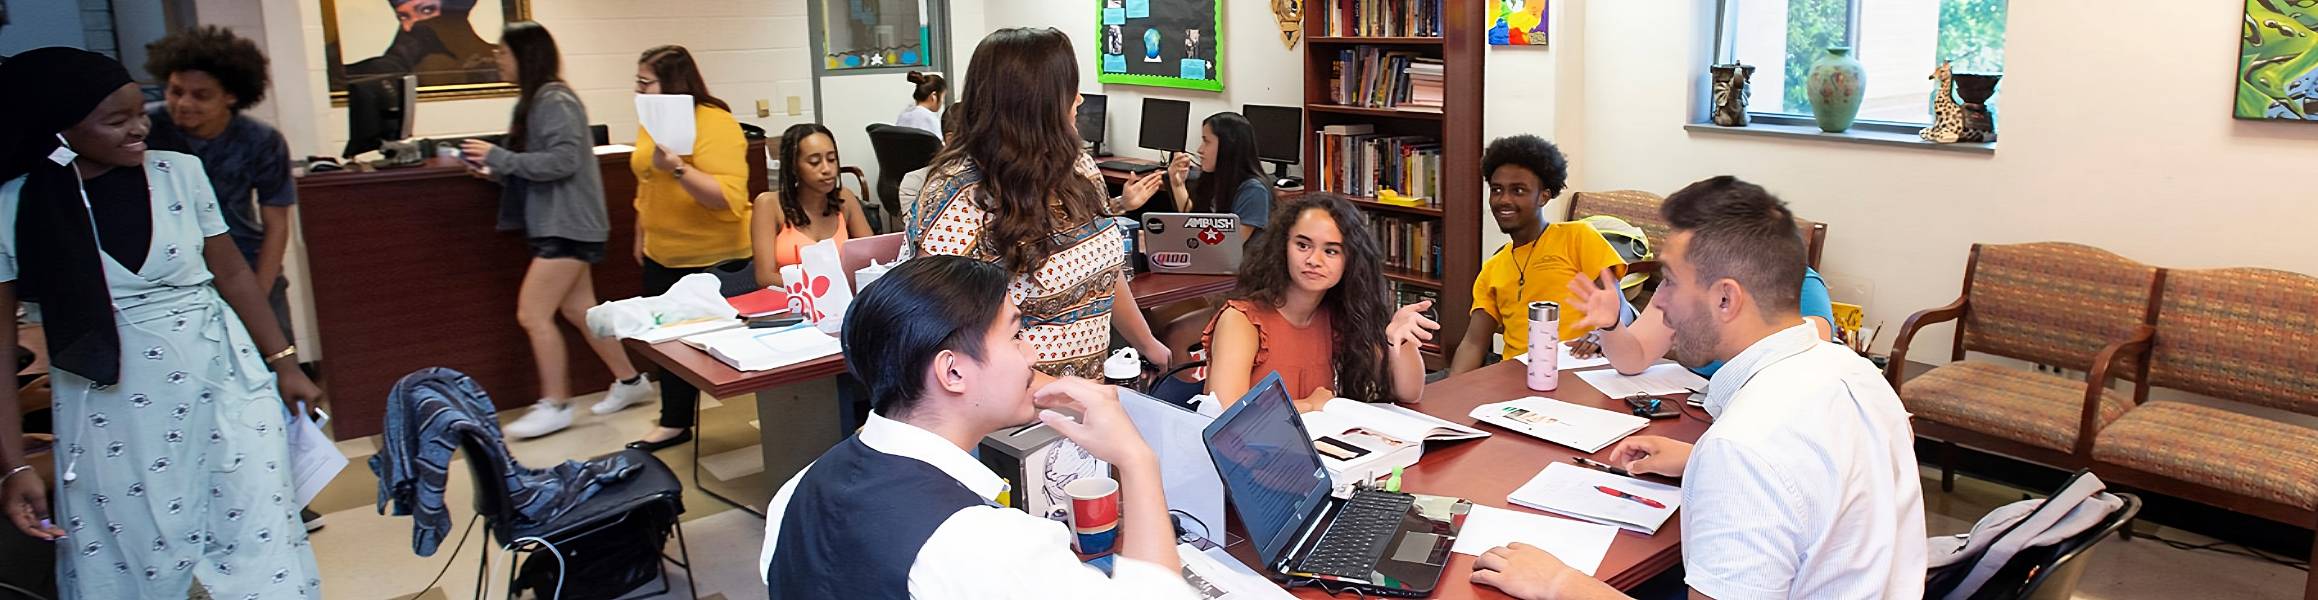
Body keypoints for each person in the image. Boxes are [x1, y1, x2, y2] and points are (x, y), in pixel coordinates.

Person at [1469, 176, 1925, 600]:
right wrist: (1697, 461)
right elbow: (1825, 481)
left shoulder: (1745, 446)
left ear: (1726, 298)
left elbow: (1761, 459)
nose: (1658, 302)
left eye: (1668, 281)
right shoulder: (1857, 374)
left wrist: (1558, 583)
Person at [0, 47, 323, 598]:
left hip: (224, 381)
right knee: (136, 557)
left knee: (258, 541)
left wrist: (284, 363)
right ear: (60, 129)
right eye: (117, 120)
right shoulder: (18, 205)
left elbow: (235, 277)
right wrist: (13, 467)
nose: (140, 128)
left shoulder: (180, 173)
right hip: (112, 410)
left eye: (139, 113)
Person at [757, 255, 1191, 599]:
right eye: (1016, 335)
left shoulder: (796, 490)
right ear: (953, 373)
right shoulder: (980, 543)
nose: (1033, 355)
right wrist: (1136, 460)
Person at [907, 27, 1170, 379]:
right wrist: (1061, 396)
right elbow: (947, 339)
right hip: (1009, 414)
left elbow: (1105, 275)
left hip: (1085, 402)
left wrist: (1149, 344)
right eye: (1070, 90)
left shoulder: (1078, 166)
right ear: (1035, 102)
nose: (1079, 100)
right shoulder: (957, 197)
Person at [459, 22, 647, 439]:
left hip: (569, 225)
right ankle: (630, 380)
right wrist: (497, 169)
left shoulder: (554, 100)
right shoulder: (537, 101)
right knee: (578, 309)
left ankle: (556, 403)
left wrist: (500, 158)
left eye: (502, 55)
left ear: (526, 56)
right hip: (561, 221)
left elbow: (561, 162)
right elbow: (541, 164)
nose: (498, 62)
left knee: (533, 312)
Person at [616, 45, 754, 451]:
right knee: (664, 342)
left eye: (646, 82)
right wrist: (642, 231)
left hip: (714, 255)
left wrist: (678, 167)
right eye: (637, 82)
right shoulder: (650, 120)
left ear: (673, 83)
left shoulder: (715, 123)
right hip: (664, 251)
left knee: (719, 344)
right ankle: (674, 422)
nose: (638, 90)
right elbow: (646, 180)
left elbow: (724, 196)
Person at [142, 26, 303, 361]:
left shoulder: (261, 141)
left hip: (246, 261)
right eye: (175, 91)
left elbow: (277, 225)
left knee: (273, 367)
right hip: (170, 272)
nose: (183, 104)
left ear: (230, 96)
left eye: (200, 95)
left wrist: (256, 294)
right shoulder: (145, 129)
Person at [1200, 193, 1435, 409]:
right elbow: (1225, 413)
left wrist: (1402, 341)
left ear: (1351, 260)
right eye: (1303, 245)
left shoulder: (1339, 315)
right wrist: (1311, 406)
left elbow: (1408, 392)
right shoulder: (1241, 319)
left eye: (1331, 251)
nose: (1314, 260)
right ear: (1282, 247)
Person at [1449, 135, 1628, 374]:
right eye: (1497, 190)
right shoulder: (1493, 267)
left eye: (1518, 190)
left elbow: (1619, 307)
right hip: (1514, 381)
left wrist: (1603, 334)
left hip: (1581, 371)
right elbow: (1473, 342)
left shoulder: (1577, 237)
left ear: (1543, 196)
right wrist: (1451, 389)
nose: (1504, 200)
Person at [1563, 263, 1836, 378]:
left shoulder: (1797, 281)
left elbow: (1809, 350)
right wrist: (1611, 325)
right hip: (1695, 408)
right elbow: (1634, 358)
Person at [749, 123, 874, 288]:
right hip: (790, 304)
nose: (827, 169)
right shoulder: (769, 205)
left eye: (831, 159)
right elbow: (765, 278)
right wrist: (820, 287)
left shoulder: (844, 198)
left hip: (841, 300)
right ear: (794, 166)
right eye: (815, 162)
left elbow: (873, 256)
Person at [1146, 112, 1275, 233]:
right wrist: (1177, 184)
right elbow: (1194, 222)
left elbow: (1229, 246)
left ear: (1228, 146)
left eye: (1206, 141)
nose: (1200, 150)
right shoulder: (1215, 178)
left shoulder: (1254, 190)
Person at [344, 0, 498, 87]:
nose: (411, 26)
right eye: (403, 17)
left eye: (426, 11)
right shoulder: (401, 61)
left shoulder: (500, 60)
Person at [894, 71, 946, 140]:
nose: (942, 102)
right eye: (943, 97)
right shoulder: (929, 118)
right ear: (934, 96)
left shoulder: (903, 115)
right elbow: (938, 146)